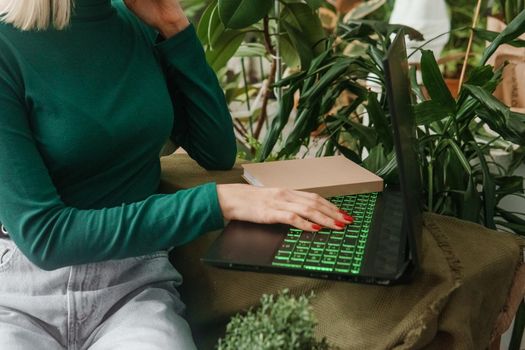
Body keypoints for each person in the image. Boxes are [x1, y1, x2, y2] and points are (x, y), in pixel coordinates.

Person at [0, 0, 353, 348]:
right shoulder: (6, 45)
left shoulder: (136, 22)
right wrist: (216, 201)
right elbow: (44, 236)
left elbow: (215, 149)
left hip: (132, 285)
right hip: (19, 295)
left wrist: (174, 26)